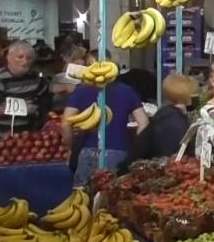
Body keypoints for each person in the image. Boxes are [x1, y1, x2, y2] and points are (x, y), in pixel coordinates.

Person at [63, 51, 149, 186]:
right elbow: (143, 122)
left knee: (83, 199)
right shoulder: (127, 91)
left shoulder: (79, 91)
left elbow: (66, 123)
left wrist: (70, 147)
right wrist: (135, 149)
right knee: (112, 199)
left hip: (87, 151)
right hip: (119, 151)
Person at [119, 75, 198, 173]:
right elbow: (168, 161)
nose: (195, 96)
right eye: (194, 93)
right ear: (186, 95)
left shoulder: (166, 116)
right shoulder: (173, 124)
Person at [0, 41, 50, 138]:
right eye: (20, 57)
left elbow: (46, 95)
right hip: (2, 137)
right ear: (9, 58)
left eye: (29, 58)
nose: (25, 62)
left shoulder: (35, 77)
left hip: (28, 136)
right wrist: (21, 109)